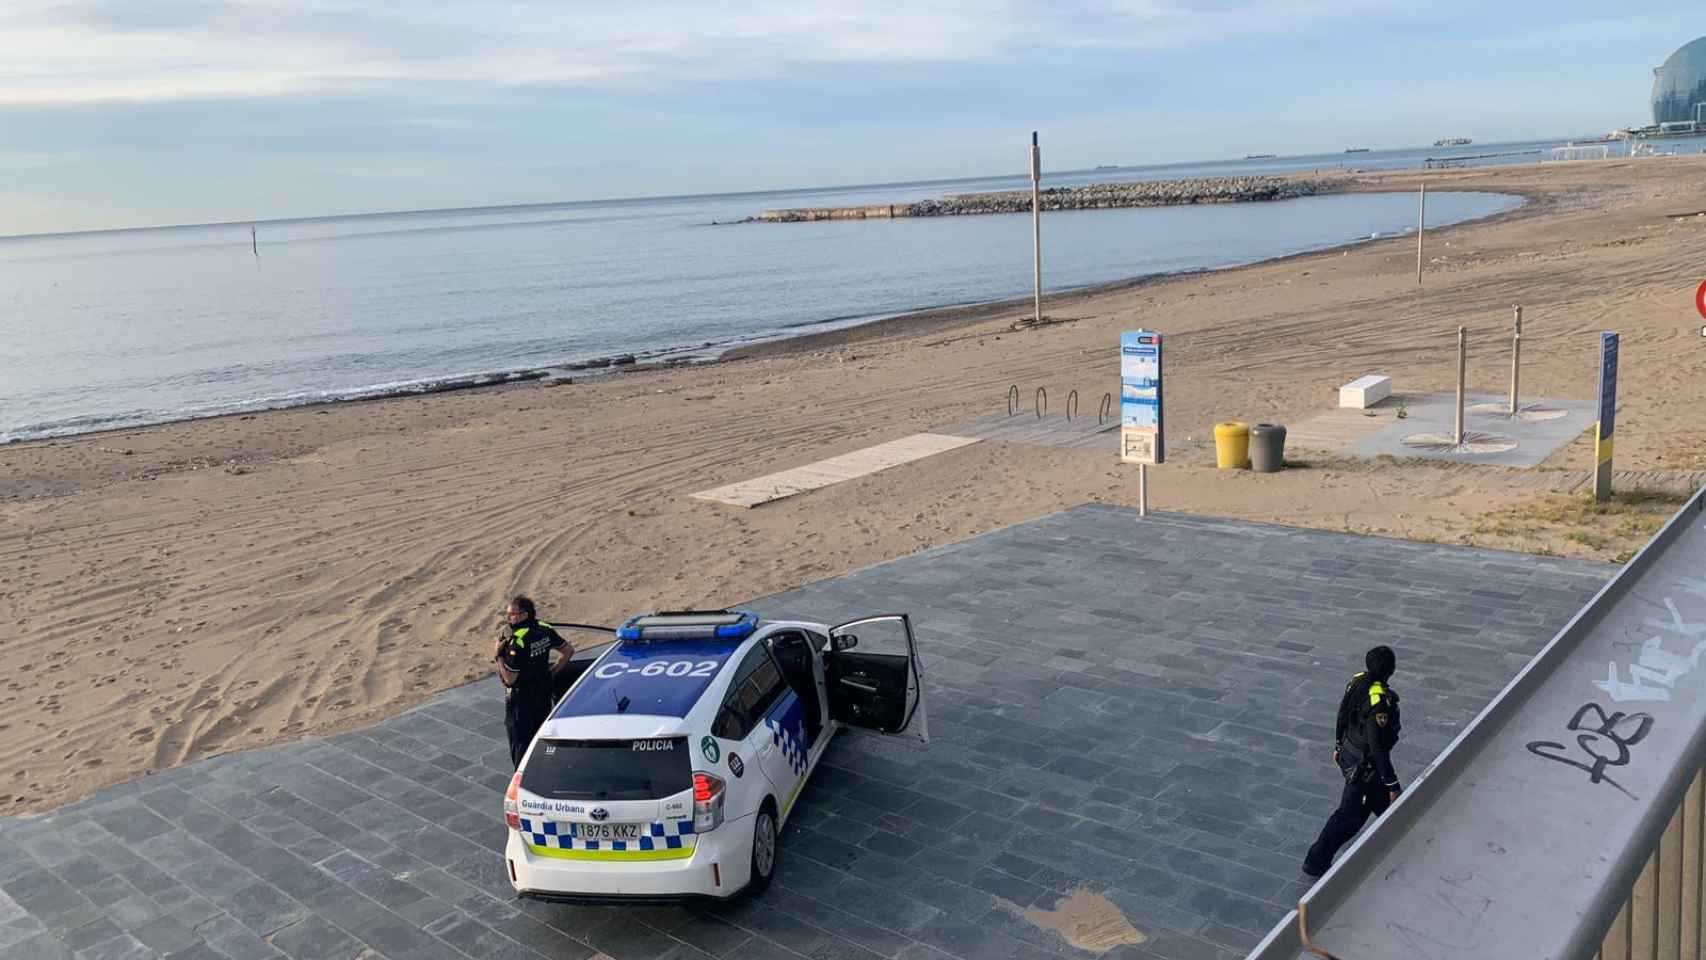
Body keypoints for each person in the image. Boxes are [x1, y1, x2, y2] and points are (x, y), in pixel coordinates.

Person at [1302, 645, 1402, 877]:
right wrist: (1392, 784)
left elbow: (1342, 714)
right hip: (1365, 769)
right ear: (1391, 670)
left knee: (1388, 809)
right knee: (1349, 818)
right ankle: (1315, 861)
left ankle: (1407, 840)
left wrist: (1338, 746)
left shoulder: (1357, 682)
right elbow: (1377, 747)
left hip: (1350, 755)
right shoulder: (1379, 701)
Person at [493, 595, 573, 767]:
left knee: (521, 748)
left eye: (512, 614)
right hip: (543, 695)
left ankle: (522, 783)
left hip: (521, 703)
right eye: (508, 614)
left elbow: (509, 679)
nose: (508, 618)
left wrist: (498, 654)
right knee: (541, 741)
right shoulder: (544, 628)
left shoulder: (517, 641)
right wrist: (550, 674)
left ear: (524, 615)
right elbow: (568, 651)